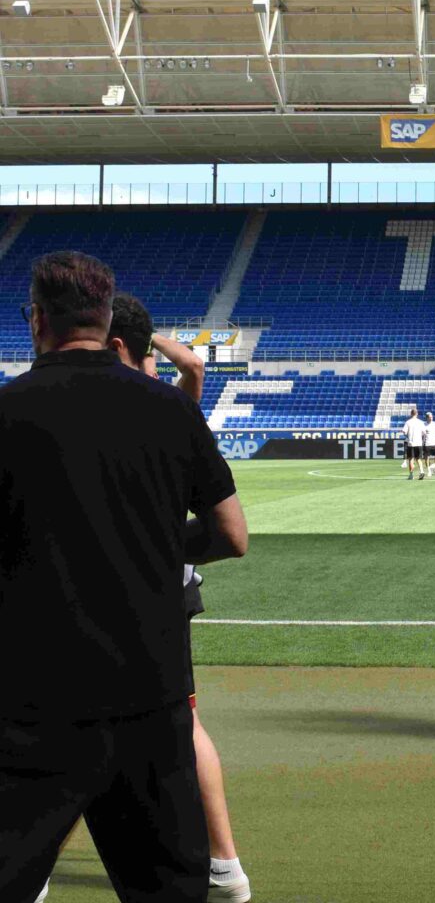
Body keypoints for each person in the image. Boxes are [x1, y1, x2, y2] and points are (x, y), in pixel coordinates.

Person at [0, 252, 247, 903]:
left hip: (32, 702)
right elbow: (232, 536)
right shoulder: (169, 411)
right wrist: (163, 543)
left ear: (36, 323)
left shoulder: (9, 410)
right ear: (108, 322)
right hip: (149, 698)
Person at [105, 294, 252, 902]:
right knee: (174, 721)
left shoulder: (149, 400)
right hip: (169, 585)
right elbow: (191, 372)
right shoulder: (167, 403)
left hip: (133, 582)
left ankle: (221, 863)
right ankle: (223, 864)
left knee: (72, 723)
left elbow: (192, 370)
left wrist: (147, 341)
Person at [402, 406, 426, 480]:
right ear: (417, 414)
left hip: (411, 443)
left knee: (411, 459)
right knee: (419, 459)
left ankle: (411, 475)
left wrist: (408, 435)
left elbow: (404, 431)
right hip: (418, 443)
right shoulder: (421, 422)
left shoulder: (408, 422)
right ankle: (421, 471)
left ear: (411, 413)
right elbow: (424, 433)